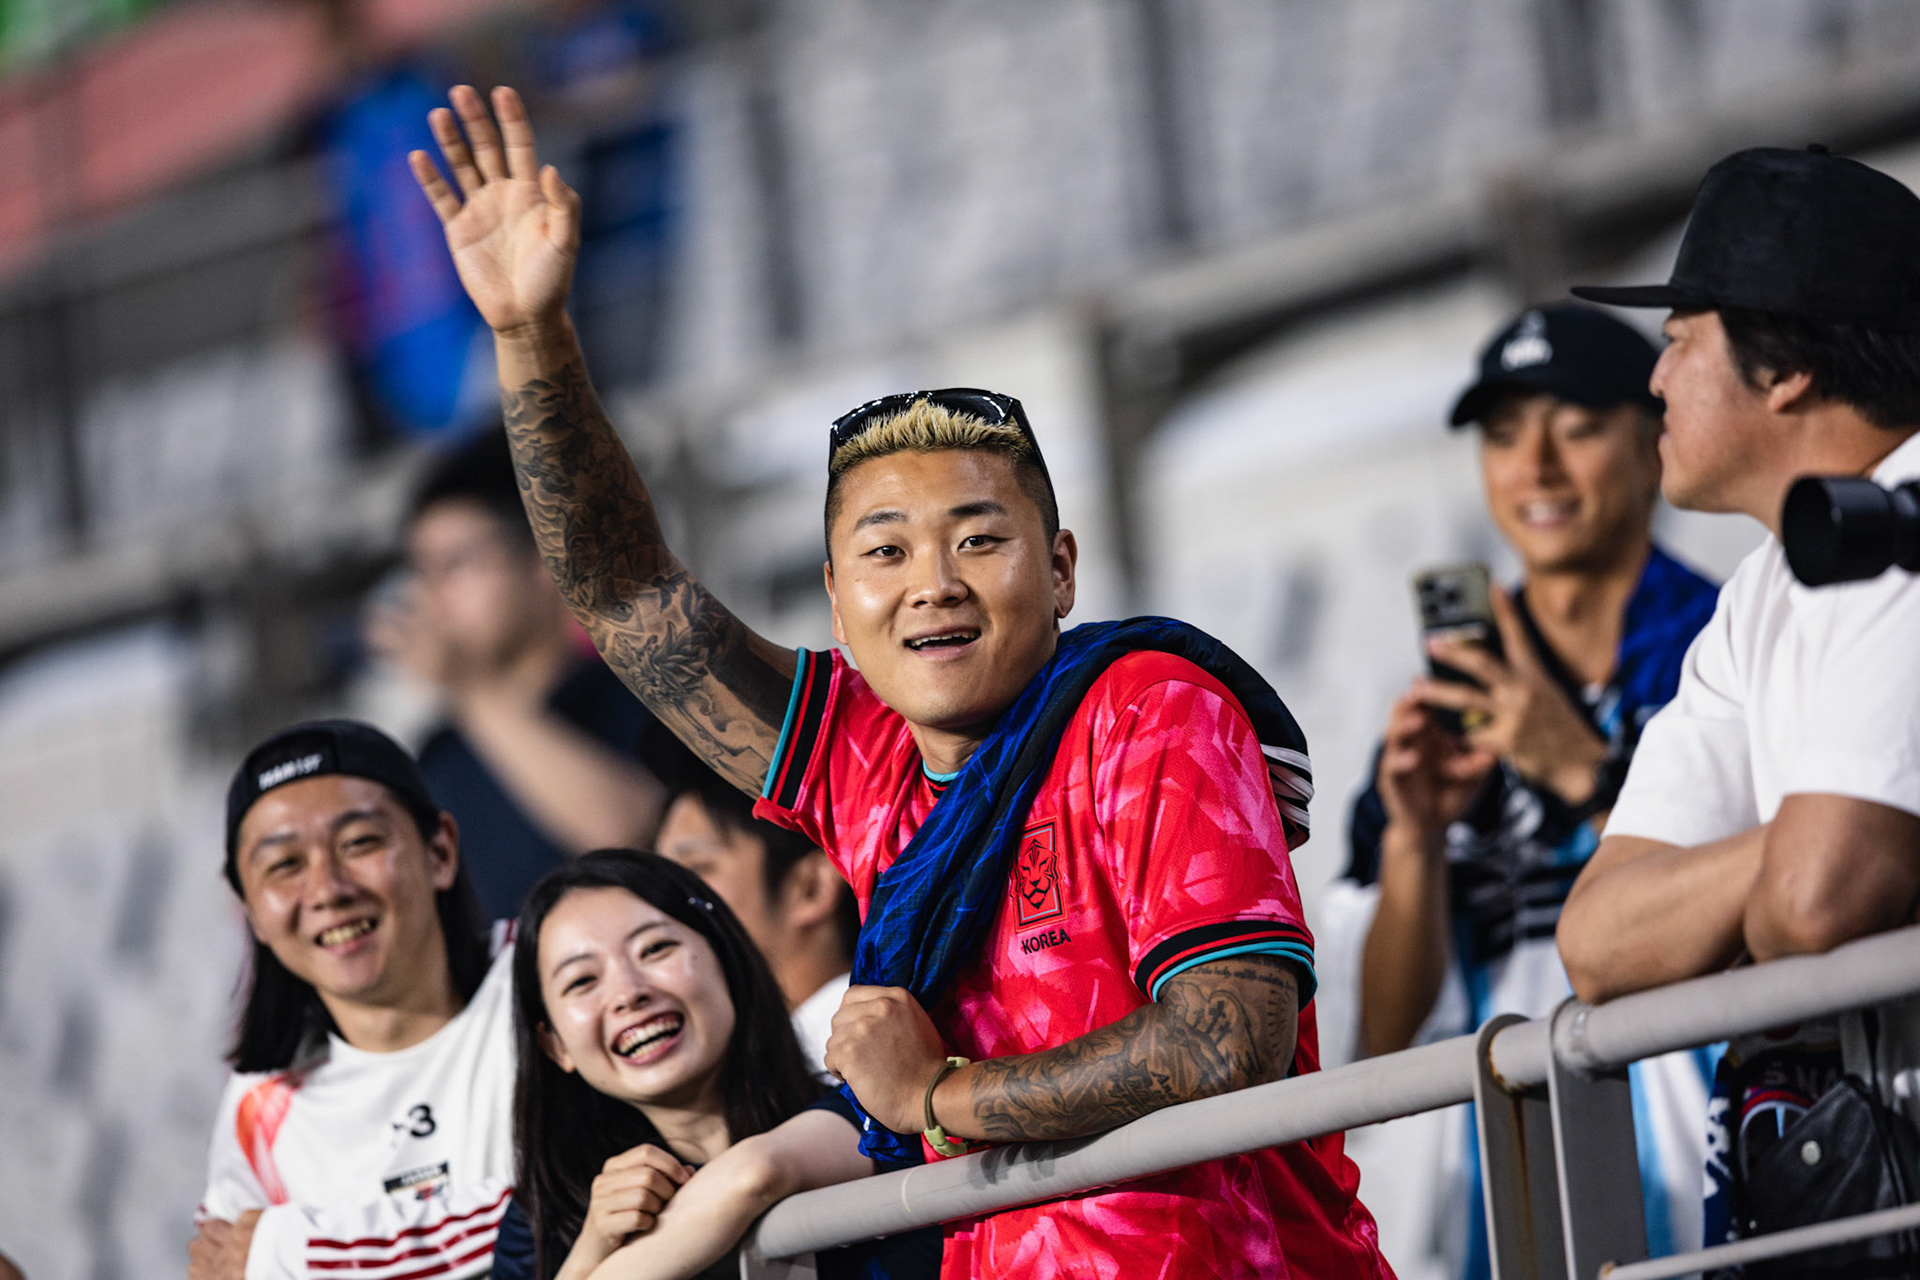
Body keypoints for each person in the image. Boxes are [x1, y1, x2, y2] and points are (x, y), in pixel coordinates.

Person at [412, 83, 1390, 1278]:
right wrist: (532, 338)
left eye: (979, 538)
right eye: (885, 551)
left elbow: (1227, 1033)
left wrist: (944, 1092)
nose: (932, 583)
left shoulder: (1151, 711)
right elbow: (625, 601)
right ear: (837, 596)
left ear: (1063, 566)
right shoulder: (856, 748)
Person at [1554, 146, 1920, 1259]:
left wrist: (1772, 891)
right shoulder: (1766, 583)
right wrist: (1791, 849)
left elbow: (1821, 903)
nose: (1654, 382)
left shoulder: (1904, 524)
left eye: (1678, 342)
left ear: (1787, 371)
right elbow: (1600, 939)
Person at [1321, 303, 1721, 1272]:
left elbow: (1765, 908)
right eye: (1504, 436)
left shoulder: (1720, 644)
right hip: (1497, 1195)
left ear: (1651, 438)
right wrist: (1413, 837)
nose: (1534, 466)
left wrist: (1574, 762)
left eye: (1576, 427)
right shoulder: (1445, 691)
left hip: (1711, 1168)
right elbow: (1379, 1030)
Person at [490, 851, 938, 1280]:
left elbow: (755, 1174)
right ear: (554, 1046)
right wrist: (591, 1245)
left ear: (727, 960)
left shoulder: (862, 1108)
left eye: (655, 949)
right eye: (583, 980)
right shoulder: (540, 1217)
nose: (628, 992)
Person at [192, 720, 515, 1280]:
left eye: (358, 843)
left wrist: (301, 1255)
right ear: (250, 912)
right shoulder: (258, 1108)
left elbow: (592, 1199)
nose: (327, 890)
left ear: (439, 851)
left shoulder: (550, 977)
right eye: (284, 865)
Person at [369, 427, 670, 922]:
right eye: (421, 573)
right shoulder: (440, 758)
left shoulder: (640, 696)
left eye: (456, 565)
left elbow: (634, 832)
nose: (431, 598)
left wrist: (469, 690)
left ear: (546, 563)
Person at [652, 761, 858, 1072]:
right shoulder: (765, 1067)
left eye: (696, 869)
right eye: (662, 878)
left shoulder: (866, 1068)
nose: (658, 904)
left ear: (811, 887)